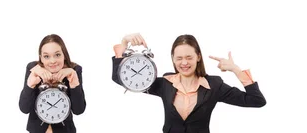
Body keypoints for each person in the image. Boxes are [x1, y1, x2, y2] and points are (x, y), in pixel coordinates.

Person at [111, 33, 266, 133]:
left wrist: (236, 70)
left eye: (189, 57)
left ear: (198, 57)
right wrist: (124, 43)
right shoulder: (165, 83)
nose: (184, 62)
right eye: (179, 58)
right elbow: (120, 79)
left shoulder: (214, 85)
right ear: (173, 59)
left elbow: (256, 100)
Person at [19, 34, 86, 133]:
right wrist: (30, 85)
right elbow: (24, 109)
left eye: (57, 55)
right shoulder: (33, 69)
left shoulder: (74, 70)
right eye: (46, 56)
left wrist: (74, 84)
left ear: (64, 55)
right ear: (41, 58)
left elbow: (78, 110)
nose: (52, 61)